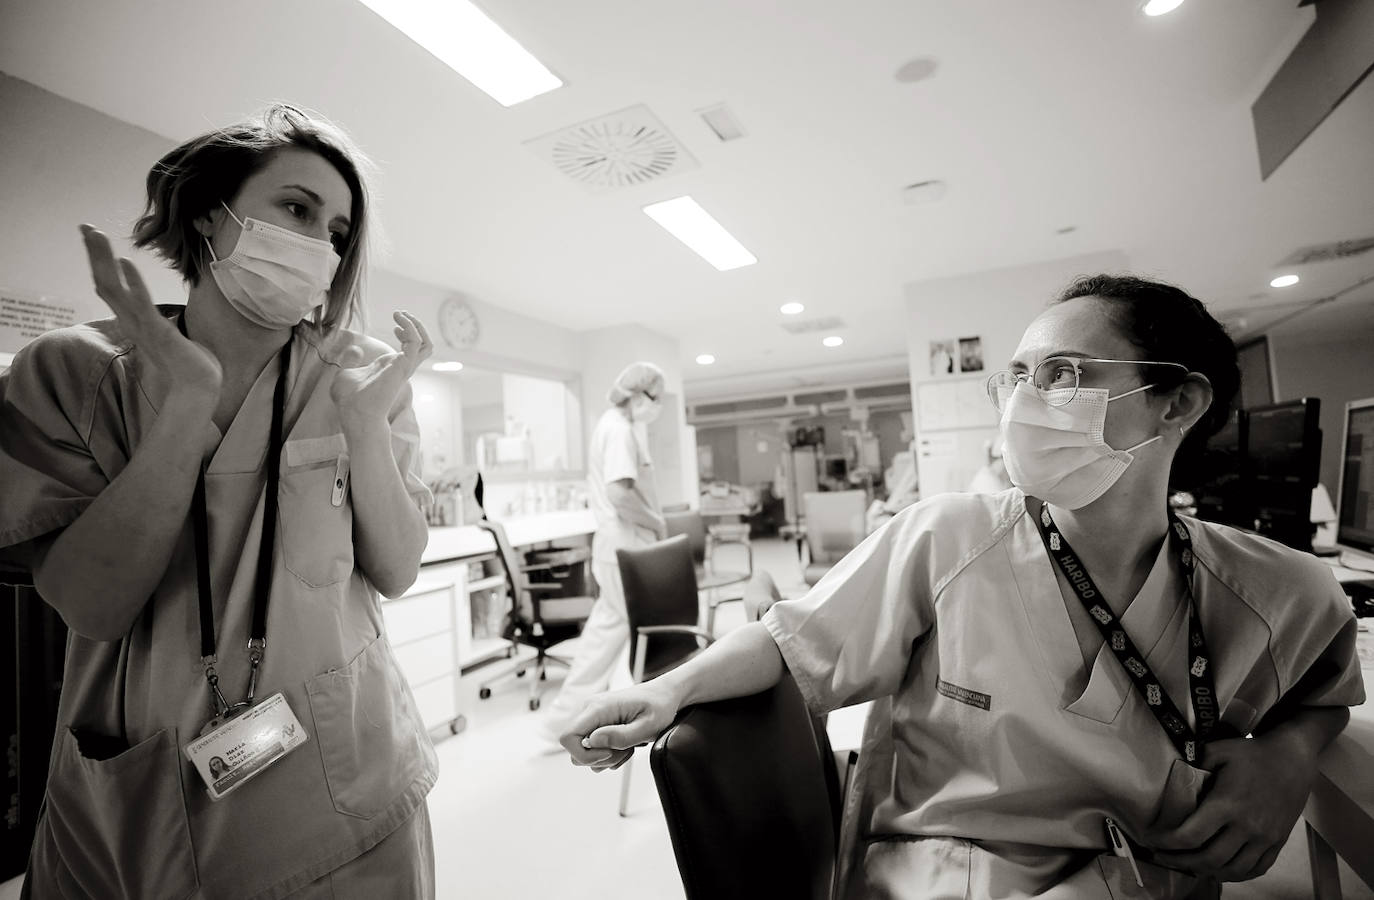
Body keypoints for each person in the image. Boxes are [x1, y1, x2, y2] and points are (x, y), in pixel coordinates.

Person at [562, 275, 1364, 898]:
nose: (1021, 403)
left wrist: (1288, 757)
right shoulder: (947, 538)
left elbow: (1325, 688)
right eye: (1014, 377)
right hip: (942, 872)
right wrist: (672, 690)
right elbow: (787, 639)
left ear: (1177, 403)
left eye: (1062, 373)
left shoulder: (1270, 588)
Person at [0, 105, 438, 899]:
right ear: (211, 211)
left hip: (351, 792)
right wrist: (185, 406)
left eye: (338, 232)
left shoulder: (360, 376)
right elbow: (93, 606)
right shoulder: (74, 373)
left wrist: (365, 431)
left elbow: (398, 568)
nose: (320, 246)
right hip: (139, 803)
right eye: (297, 209)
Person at [540, 362, 668, 740]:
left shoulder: (617, 426)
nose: (656, 406)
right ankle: (582, 719)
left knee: (605, 633)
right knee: (641, 630)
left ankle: (567, 720)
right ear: (638, 394)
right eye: (655, 398)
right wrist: (657, 524)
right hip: (626, 547)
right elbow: (619, 494)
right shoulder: (618, 429)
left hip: (618, 547)